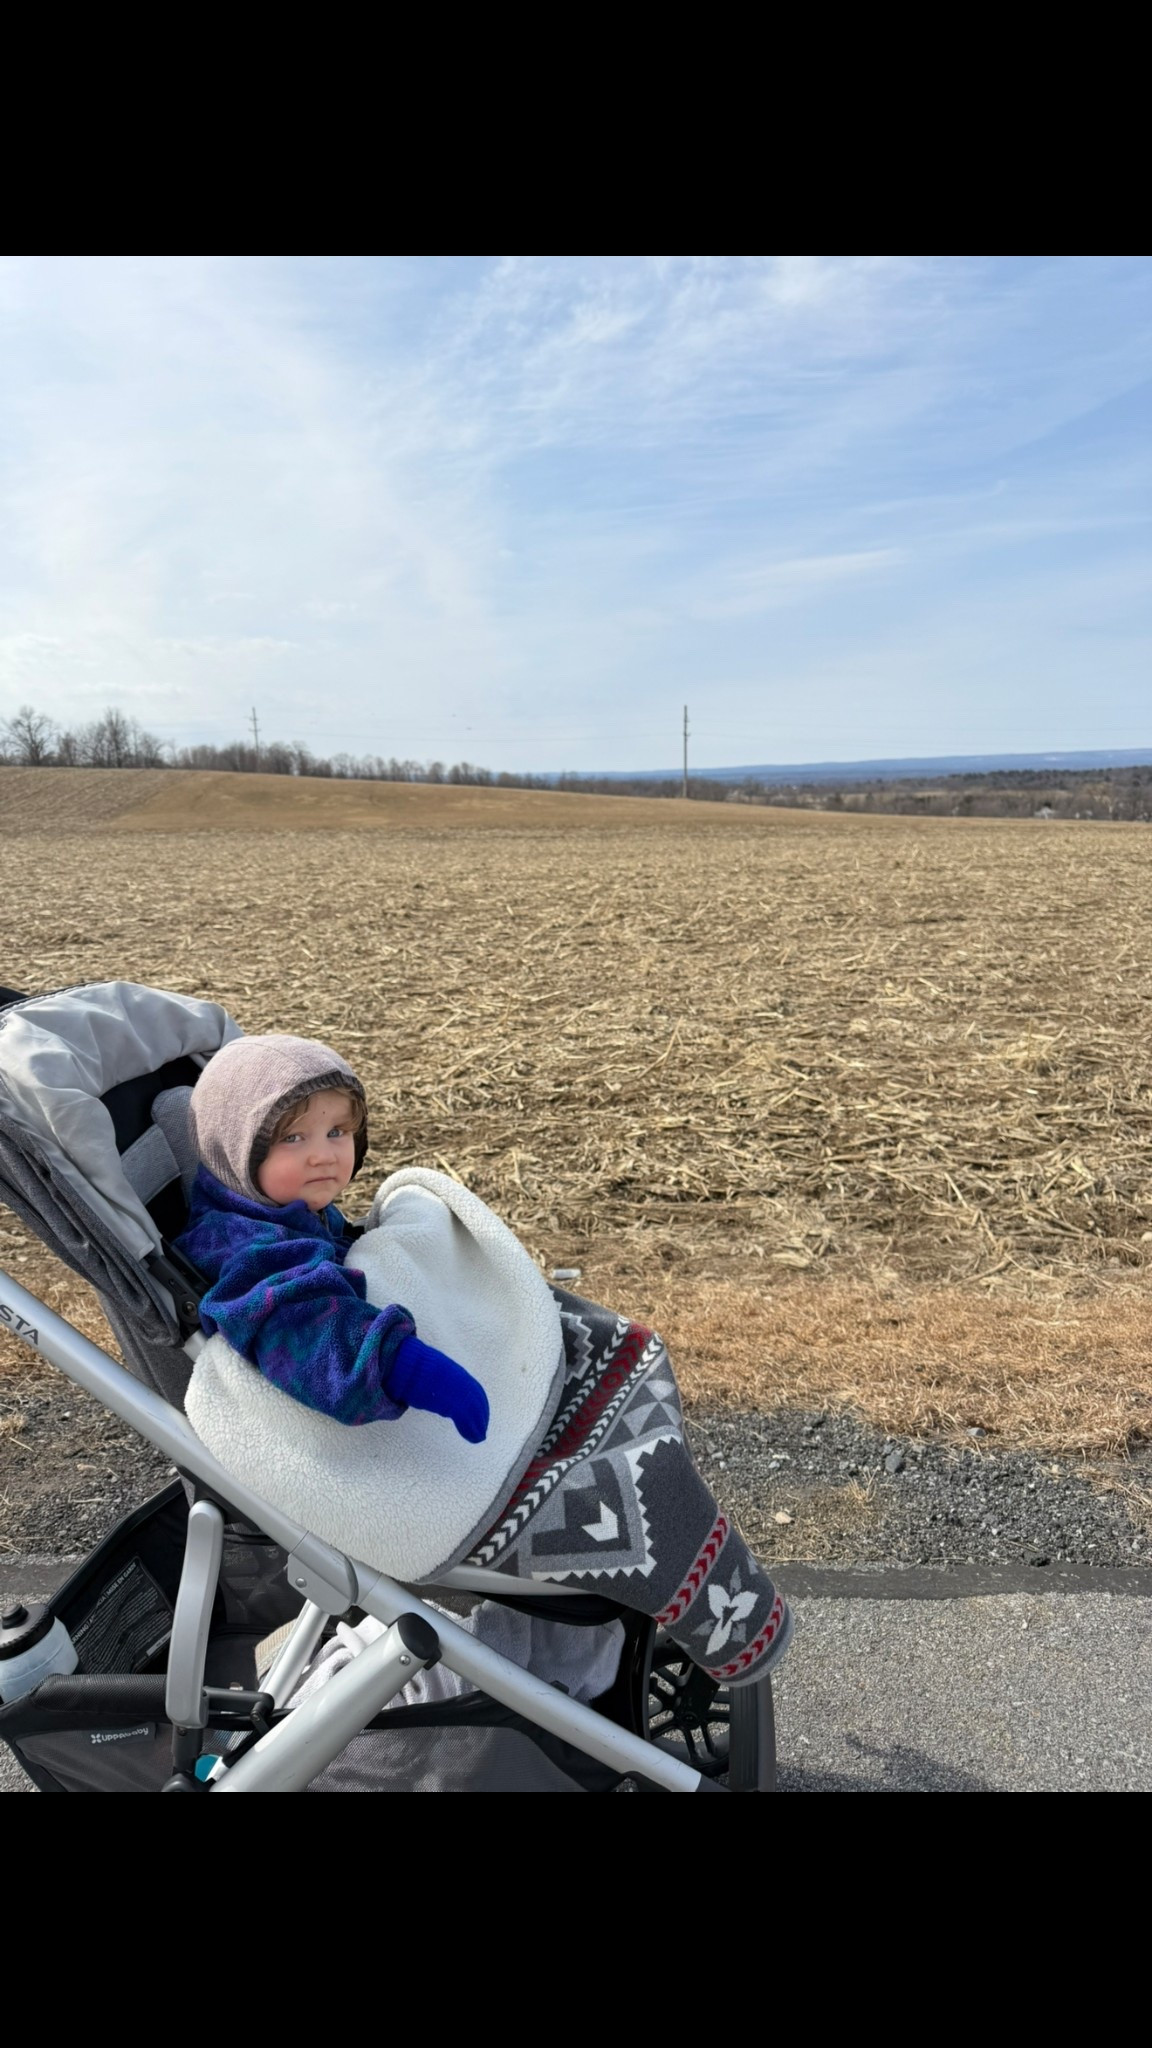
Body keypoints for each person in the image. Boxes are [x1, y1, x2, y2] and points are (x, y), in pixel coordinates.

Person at [174, 1034, 489, 1440]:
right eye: (292, 1137)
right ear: (235, 1150)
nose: (323, 1154)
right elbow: (301, 1327)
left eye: (337, 1131)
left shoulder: (283, 1203)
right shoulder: (239, 1244)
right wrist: (408, 1367)